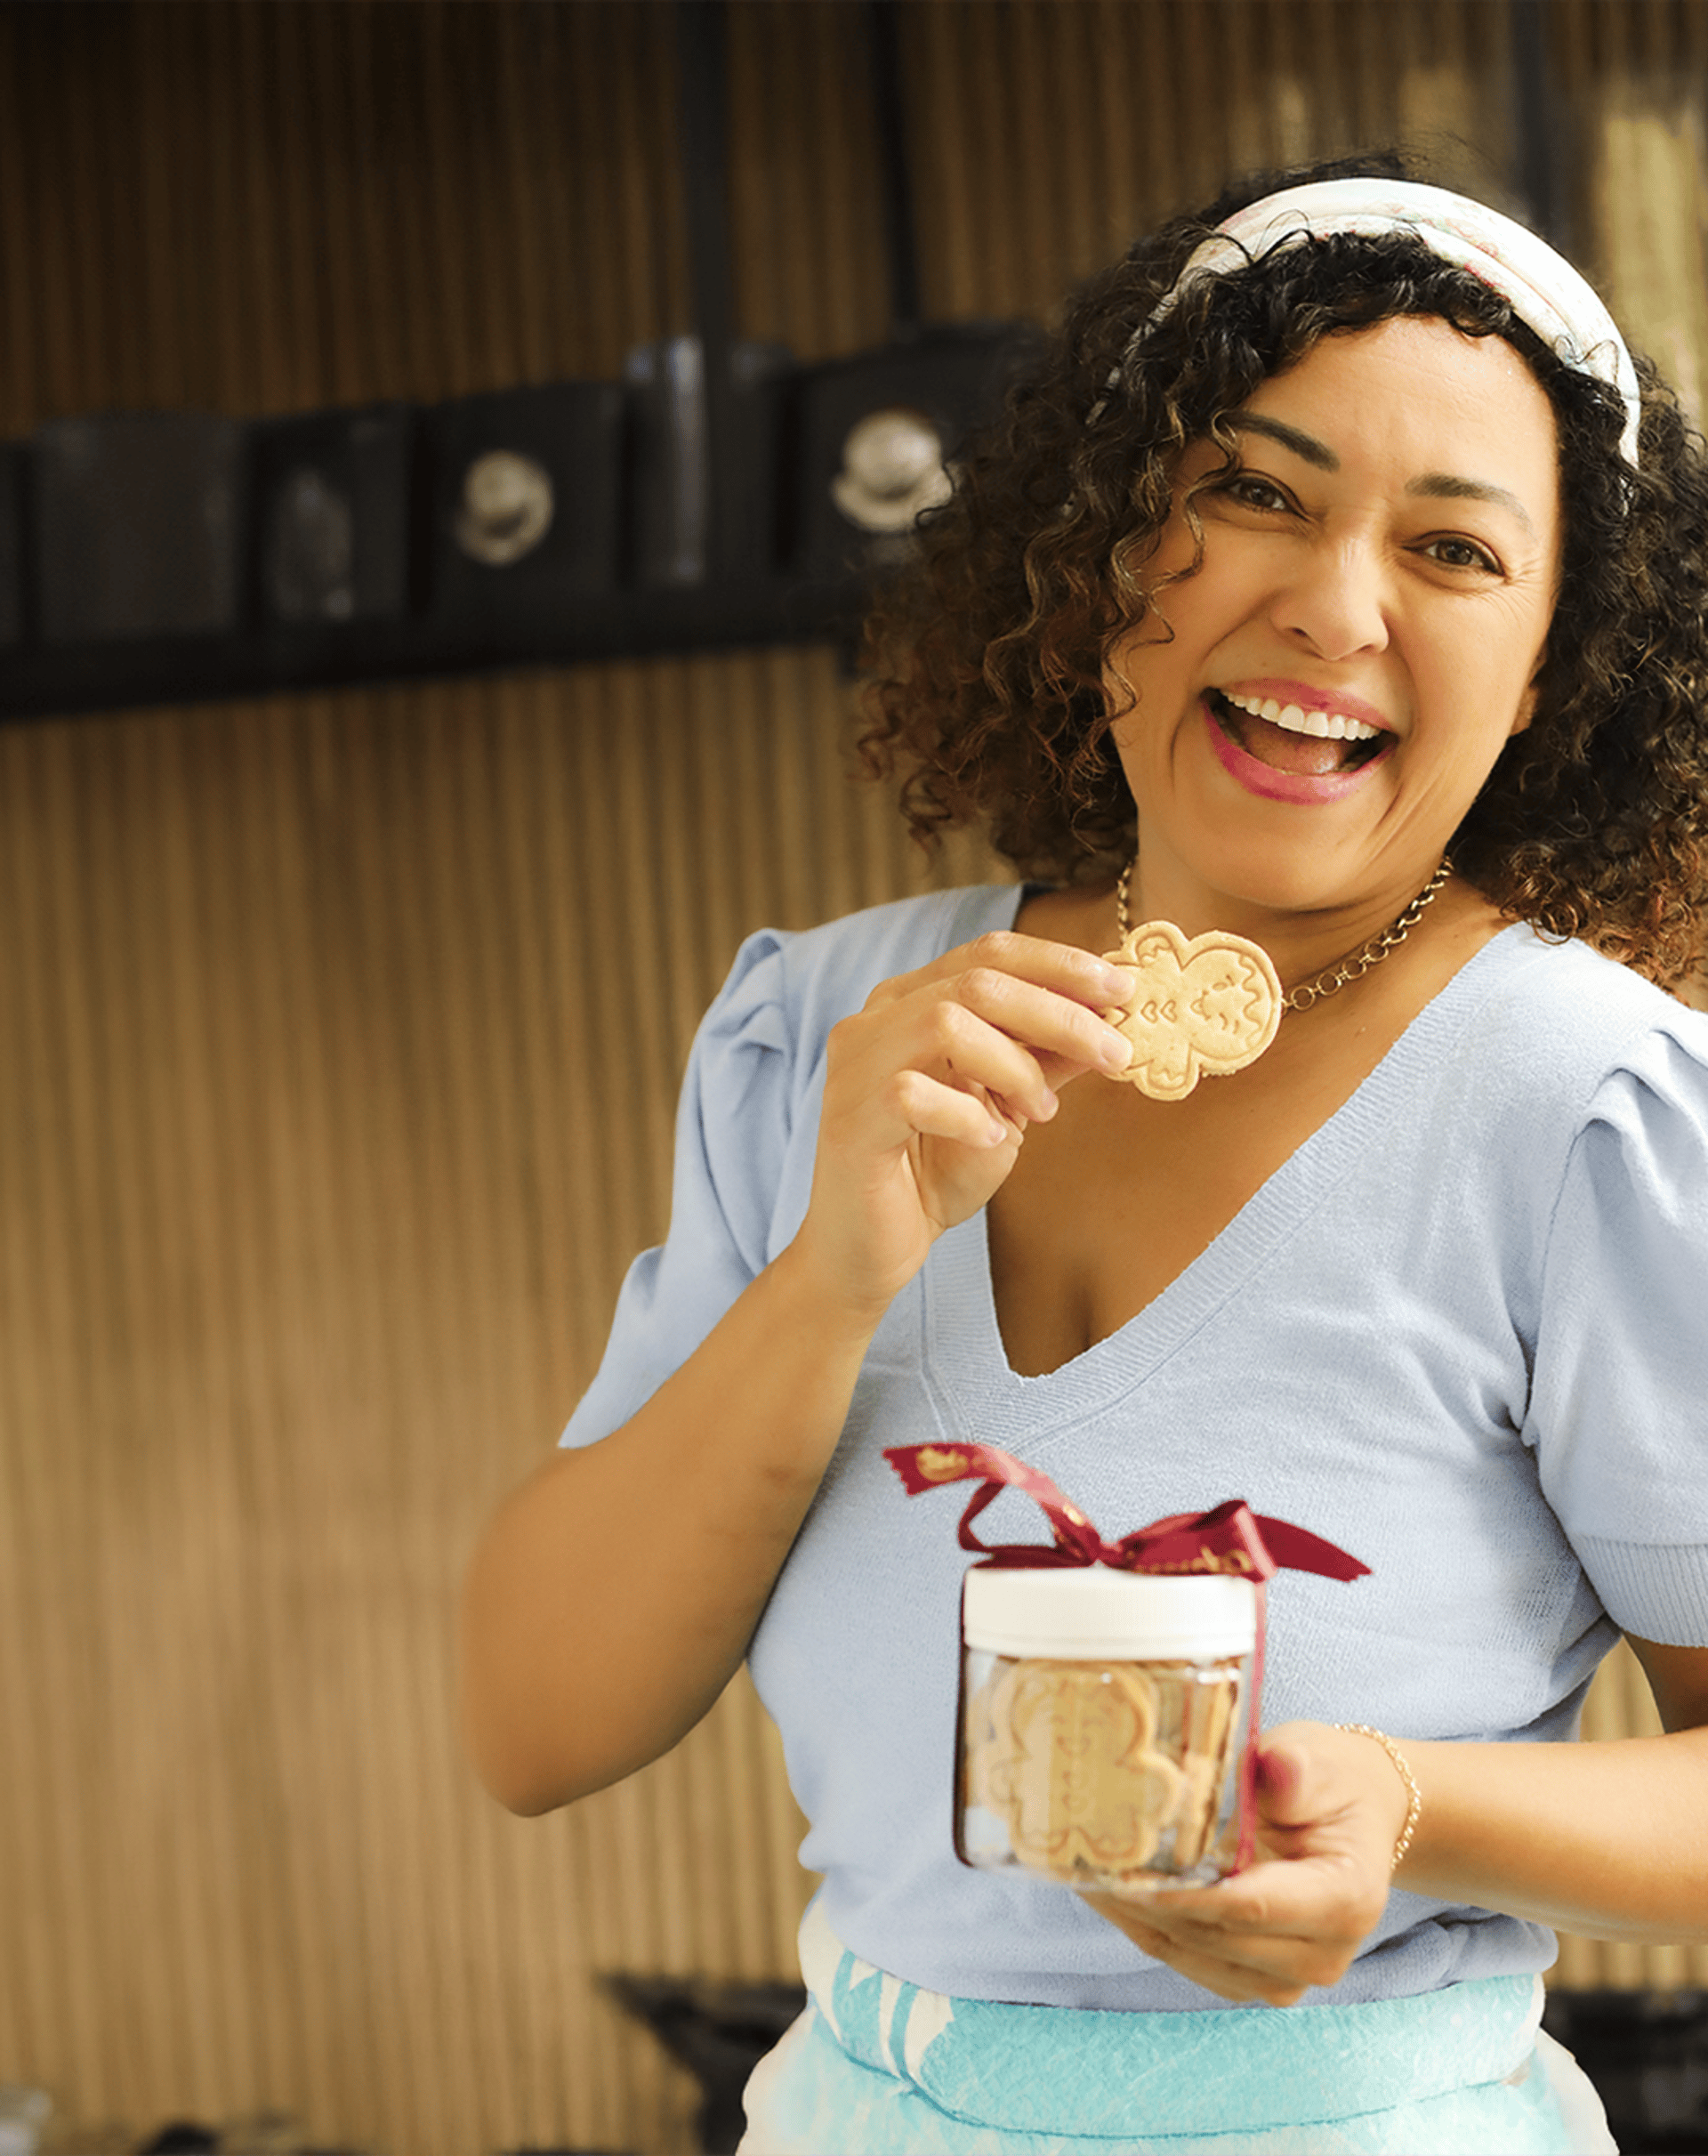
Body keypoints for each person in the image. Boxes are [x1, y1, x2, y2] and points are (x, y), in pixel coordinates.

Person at [461, 154, 1708, 2154]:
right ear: (1109, 546)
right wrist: (835, 1277)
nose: (1335, 605)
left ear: (1553, 660)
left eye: (1455, 548)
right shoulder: (829, 1038)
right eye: (1257, 492)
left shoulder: (1587, 1107)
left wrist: (1413, 1808)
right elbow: (536, 1723)